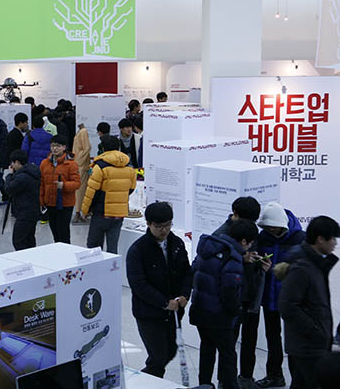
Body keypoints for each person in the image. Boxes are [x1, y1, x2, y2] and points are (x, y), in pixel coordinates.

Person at [239, 202, 305, 389]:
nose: (270, 230)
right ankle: (275, 375)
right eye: (267, 227)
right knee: (272, 336)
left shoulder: (300, 238)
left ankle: (298, 381)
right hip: (269, 296)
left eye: (273, 227)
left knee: (293, 340)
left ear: (282, 224)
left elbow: (304, 270)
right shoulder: (263, 237)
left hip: (292, 297)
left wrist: (276, 270)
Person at [190, 219, 259, 389]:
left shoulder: (208, 247)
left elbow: (193, 272)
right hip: (219, 315)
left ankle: (204, 385)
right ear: (244, 241)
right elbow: (230, 290)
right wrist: (236, 311)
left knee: (207, 351)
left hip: (200, 309)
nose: (250, 248)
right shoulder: (233, 258)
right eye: (250, 243)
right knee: (228, 356)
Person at [126, 202, 192, 379]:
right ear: (148, 224)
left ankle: (144, 380)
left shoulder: (176, 243)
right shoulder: (138, 250)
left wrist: (185, 294)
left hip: (174, 311)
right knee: (158, 357)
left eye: (168, 225)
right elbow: (138, 285)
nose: (164, 230)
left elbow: (187, 272)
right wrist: (164, 303)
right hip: (149, 313)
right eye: (159, 226)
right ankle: (145, 382)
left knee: (170, 351)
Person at [278, 216, 339, 389]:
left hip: (311, 343)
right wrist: (315, 329)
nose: (335, 243)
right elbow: (287, 306)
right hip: (307, 345)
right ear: (320, 239)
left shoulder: (315, 263)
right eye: (333, 238)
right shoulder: (301, 267)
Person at [82, 135, 136, 253]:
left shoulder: (100, 167)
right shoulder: (129, 167)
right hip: (119, 214)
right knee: (112, 248)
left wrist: (85, 211)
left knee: (94, 247)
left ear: (103, 148)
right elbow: (131, 189)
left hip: (101, 212)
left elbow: (92, 192)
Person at [39, 135, 80, 243]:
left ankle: (66, 252)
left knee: (63, 233)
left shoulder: (71, 164)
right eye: (53, 146)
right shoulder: (44, 163)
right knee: (55, 232)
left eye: (58, 146)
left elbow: (77, 184)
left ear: (64, 147)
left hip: (65, 204)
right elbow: (41, 183)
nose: (55, 148)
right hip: (50, 203)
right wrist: (42, 201)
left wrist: (64, 185)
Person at [4, 150, 40, 251]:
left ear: (17, 162)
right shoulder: (33, 171)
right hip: (32, 211)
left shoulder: (22, 177)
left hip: (24, 213)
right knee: (29, 239)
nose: (11, 165)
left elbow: (9, 189)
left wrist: (9, 176)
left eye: (12, 163)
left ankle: (24, 259)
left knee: (18, 240)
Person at [72, 123, 91, 224]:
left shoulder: (83, 131)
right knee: (80, 189)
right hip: (80, 164)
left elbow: (87, 148)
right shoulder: (82, 131)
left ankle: (80, 211)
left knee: (80, 189)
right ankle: (80, 211)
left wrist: (79, 161)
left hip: (81, 165)